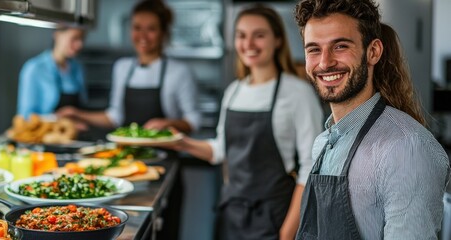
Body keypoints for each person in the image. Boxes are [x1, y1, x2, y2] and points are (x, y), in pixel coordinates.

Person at [293, 0, 450, 239]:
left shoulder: (406, 148)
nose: (324, 62)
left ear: (373, 51)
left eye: (340, 46)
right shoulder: (323, 143)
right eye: (314, 49)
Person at [171, 5, 323, 240]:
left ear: (278, 40)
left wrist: (286, 233)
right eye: (241, 35)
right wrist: (180, 142)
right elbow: (222, 150)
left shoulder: (298, 93)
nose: (248, 44)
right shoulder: (234, 91)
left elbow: (310, 169)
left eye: (259, 35)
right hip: (231, 216)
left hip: (274, 218)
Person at [56, 0, 201, 134]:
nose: (142, 36)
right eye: (137, 28)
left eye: (151, 29)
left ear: (163, 33)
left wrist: (168, 124)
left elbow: (194, 121)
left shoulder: (179, 72)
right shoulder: (122, 67)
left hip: (166, 155)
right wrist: (76, 113)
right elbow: (115, 117)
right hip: (127, 155)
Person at [17, 25, 86, 119]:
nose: (79, 45)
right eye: (74, 38)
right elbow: (25, 116)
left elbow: (82, 105)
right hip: (45, 132)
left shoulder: (77, 67)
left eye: (82, 39)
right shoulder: (35, 68)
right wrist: (56, 119)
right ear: (57, 35)